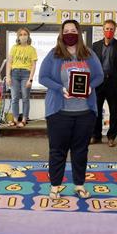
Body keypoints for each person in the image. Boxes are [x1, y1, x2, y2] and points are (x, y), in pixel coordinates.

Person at [39, 19, 104, 200]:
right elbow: (42, 77)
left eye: (73, 30)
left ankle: (79, 185)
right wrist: (60, 89)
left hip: (85, 112)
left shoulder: (88, 54)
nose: (69, 33)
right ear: (61, 34)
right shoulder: (54, 54)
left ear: (79, 33)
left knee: (80, 150)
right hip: (59, 112)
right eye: (66, 30)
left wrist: (90, 87)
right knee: (57, 151)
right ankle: (55, 186)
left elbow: (100, 76)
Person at [90, 19, 117, 147]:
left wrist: (115, 75)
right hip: (98, 83)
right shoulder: (95, 46)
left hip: (114, 84)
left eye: (111, 29)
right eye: (107, 29)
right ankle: (96, 135)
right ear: (103, 30)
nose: (109, 31)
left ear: (115, 30)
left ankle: (111, 137)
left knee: (114, 112)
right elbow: (92, 64)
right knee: (96, 111)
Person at [6, 27, 38, 127]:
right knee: (15, 98)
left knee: (25, 98)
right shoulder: (14, 48)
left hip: (26, 74)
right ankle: (15, 120)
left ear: (28, 36)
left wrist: (31, 79)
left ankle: (24, 119)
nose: (23, 36)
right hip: (14, 74)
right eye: (21, 34)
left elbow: (33, 65)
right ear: (18, 37)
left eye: (25, 34)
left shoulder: (32, 49)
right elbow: (9, 63)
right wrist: (8, 76)